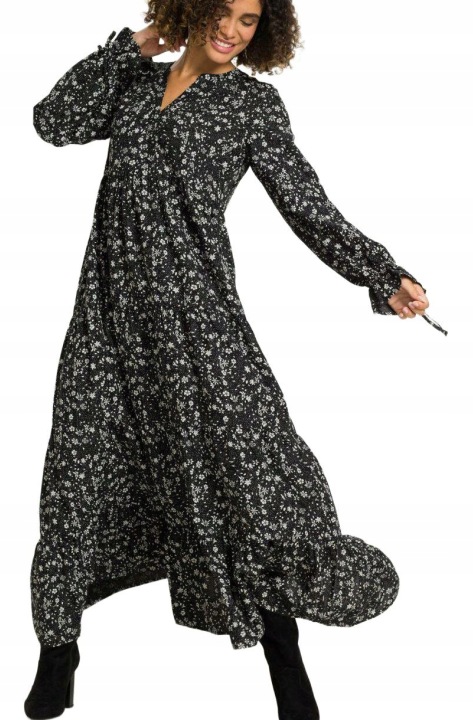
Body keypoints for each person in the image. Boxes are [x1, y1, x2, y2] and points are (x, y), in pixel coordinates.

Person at [24, 1, 431, 718]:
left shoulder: (250, 106)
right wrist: (132, 47)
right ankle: (59, 649)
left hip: (199, 322)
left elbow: (307, 206)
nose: (233, 30)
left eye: (249, 20)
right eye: (222, 10)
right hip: (108, 319)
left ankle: (285, 663)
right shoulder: (132, 83)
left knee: (243, 482)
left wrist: (379, 273)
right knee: (78, 477)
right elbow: (53, 122)